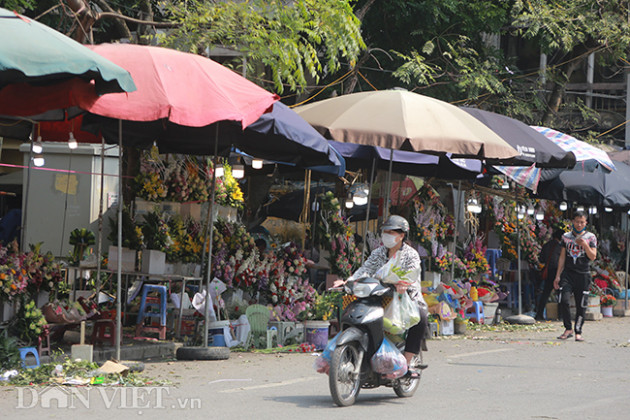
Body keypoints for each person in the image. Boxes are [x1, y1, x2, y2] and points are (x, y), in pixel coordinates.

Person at [333, 215, 429, 377]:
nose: (387, 235)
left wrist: (404, 284)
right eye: (385, 232)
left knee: (421, 316)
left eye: (391, 232)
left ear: (401, 235)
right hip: (378, 294)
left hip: (406, 296)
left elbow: (412, 274)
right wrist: (348, 281)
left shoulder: (410, 254)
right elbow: (365, 269)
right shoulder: (378, 252)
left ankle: (405, 364)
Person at [554, 211, 597, 342]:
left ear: (586, 223)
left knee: (581, 304)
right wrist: (557, 276)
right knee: (564, 300)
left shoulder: (591, 237)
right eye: (577, 221)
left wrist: (584, 245)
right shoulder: (566, 237)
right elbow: (562, 257)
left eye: (582, 222)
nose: (579, 224)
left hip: (583, 274)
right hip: (568, 273)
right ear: (572, 221)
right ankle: (568, 328)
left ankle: (578, 330)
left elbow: (593, 256)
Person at [534, 228, 564, 321]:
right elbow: (562, 260)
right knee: (561, 293)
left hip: (549, 271)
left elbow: (542, 259)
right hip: (558, 271)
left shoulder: (546, 245)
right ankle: (560, 315)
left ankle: (539, 314)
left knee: (545, 293)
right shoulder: (560, 247)